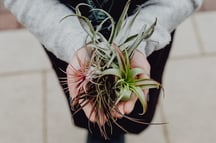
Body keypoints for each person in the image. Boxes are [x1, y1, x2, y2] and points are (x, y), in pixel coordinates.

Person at [4, 0, 203, 142]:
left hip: (144, 44)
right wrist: (75, 44)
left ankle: (112, 133)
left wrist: (136, 42)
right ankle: (102, 133)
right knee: (89, 107)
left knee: (130, 110)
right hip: (70, 48)